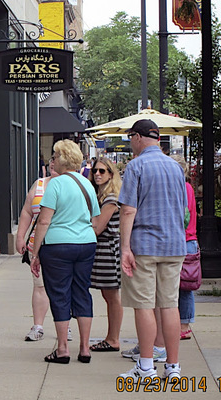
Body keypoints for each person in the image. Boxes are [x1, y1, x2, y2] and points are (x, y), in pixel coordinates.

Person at [118, 119, 187, 382]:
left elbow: (128, 209)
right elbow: (183, 209)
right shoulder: (175, 167)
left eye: (130, 138)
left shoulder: (136, 166)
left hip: (145, 244)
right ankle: (173, 367)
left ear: (137, 137)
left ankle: (146, 366)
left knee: (143, 305)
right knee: (169, 305)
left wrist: (125, 247)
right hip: (174, 244)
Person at [30, 139, 100, 364]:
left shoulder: (56, 185)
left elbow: (44, 221)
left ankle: (62, 349)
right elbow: (95, 218)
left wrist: (35, 252)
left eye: (55, 157)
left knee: (59, 294)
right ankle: (85, 348)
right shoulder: (87, 184)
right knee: (82, 291)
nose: (53, 161)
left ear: (63, 159)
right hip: (86, 243)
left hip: (58, 245)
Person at [16, 156, 72, 342]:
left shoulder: (72, 185)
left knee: (64, 287)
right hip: (38, 245)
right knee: (39, 286)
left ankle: (66, 327)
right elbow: (27, 211)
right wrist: (20, 236)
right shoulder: (39, 185)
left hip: (64, 244)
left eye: (58, 160)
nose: (54, 164)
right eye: (52, 160)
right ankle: (38, 326)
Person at [88, 158, 123, 352]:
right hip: (102, 249)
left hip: (108, 250)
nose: (98, 174)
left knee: (111, 295)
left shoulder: (111, 199)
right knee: (107, 294)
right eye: (95, 171)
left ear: (111, 174)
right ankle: (111, 337)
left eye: (103, 171)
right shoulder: (101, 196)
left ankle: (113, 338)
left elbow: (98, 228)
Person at [171, 155, 199, 340]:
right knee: (185, 286)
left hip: (183, 239)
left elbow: (182, 216)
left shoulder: (180, 188)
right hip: (190, 240)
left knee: (181, 287)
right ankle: (184, 324)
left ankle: (183, 325)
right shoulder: (188, 187)